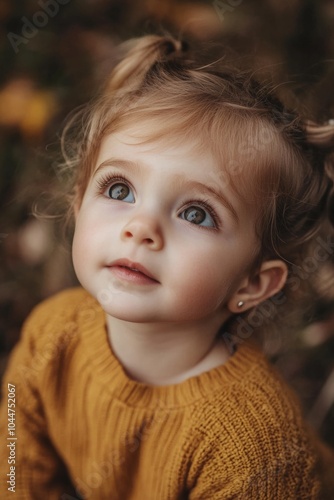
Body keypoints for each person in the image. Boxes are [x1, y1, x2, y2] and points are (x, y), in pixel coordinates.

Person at [1, 34, 334, 500]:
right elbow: (17, 458)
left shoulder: (253, 443)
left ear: (253, 283)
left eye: (196, 213)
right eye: (119, 190)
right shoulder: (51, 333)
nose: (141, 227)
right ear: (78, 205)